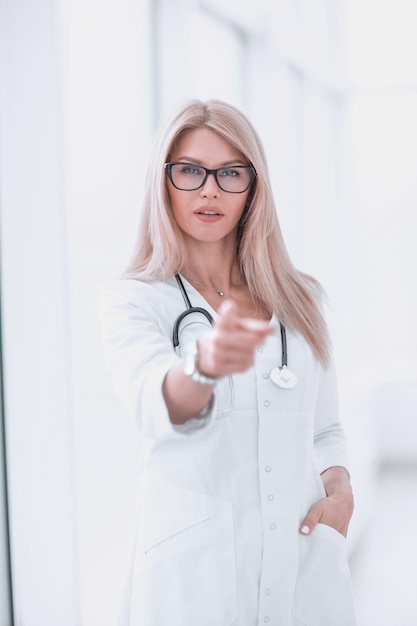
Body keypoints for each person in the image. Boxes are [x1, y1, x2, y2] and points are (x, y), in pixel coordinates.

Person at [99, 99, 356, 626]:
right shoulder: (134, 300)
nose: (210, 189)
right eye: (190, 171)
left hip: (304, 563)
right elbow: (156, 403)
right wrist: (204, 368)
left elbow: (325, 427)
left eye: (230, 173)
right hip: (193, 575)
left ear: (253, 188)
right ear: (163, 182)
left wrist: (341, 489)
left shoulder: (300, 297)